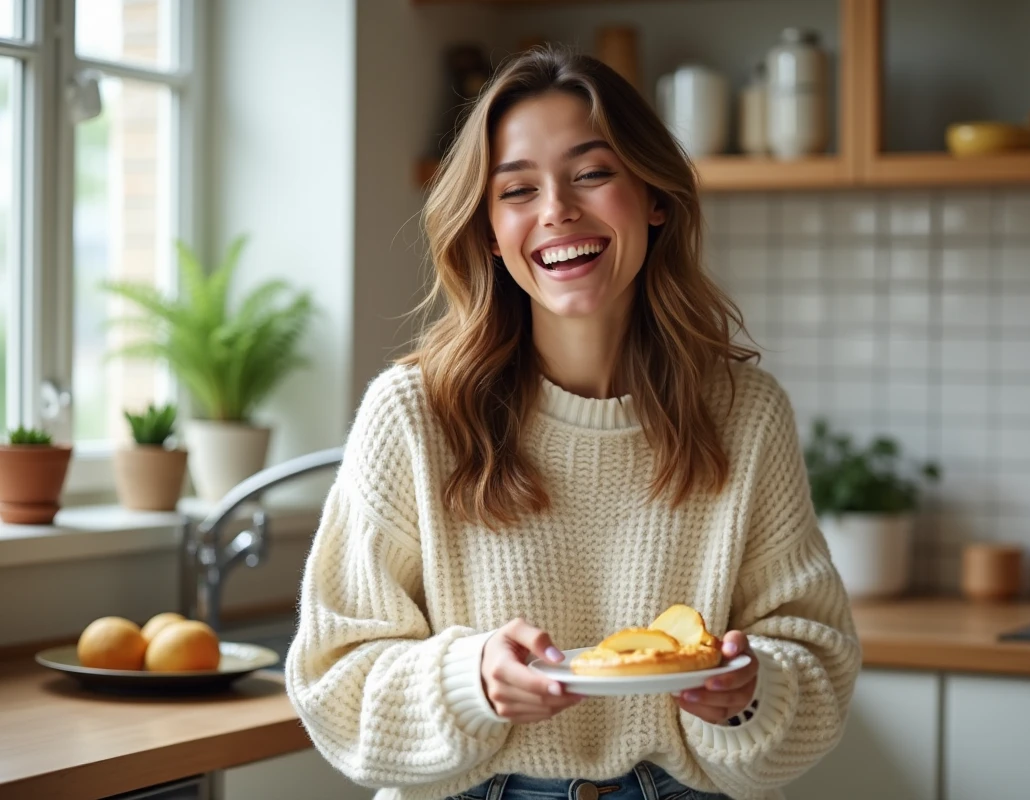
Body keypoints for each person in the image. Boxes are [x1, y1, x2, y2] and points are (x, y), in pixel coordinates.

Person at [285, 44, 860, 800]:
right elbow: (333, 682)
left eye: (592, 174)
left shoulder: (745, 415)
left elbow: (815, 657)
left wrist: (747, 694)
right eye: (517, 190)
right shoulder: (413, 415)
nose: (557, 209)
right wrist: (471, 682)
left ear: (655, 197)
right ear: (490, 230)